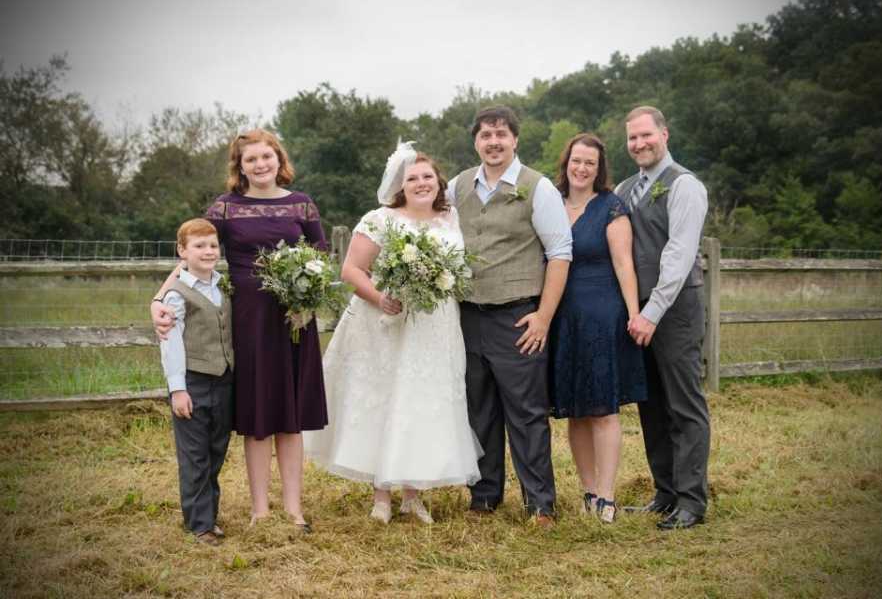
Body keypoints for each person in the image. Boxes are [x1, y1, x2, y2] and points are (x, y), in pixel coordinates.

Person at [152, 129, 326, 531]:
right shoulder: (226, 208)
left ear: (278, 160)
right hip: (248, 319)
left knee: (291, 416)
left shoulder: (302, 205)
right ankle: (260, 510)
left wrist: (308, 300)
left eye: (267, 156)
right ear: (240, 167)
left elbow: (320, 256)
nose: (260, 165)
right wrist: (159, 299)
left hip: (294, 318)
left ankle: (294, 509)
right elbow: (193, 254)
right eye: (251, 160)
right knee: (259, 412)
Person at [304, 145, 481, 524]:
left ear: (439, 182)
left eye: (427, 177)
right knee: (387, 398)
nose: (421, 183)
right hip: (386, 323)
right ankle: (381, 495)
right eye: (412, 178)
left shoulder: (450, 218)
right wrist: (380, 297)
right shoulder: (380, 219)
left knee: (421, 400)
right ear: (400, 185)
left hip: (436, 325)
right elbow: (352, 270)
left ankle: (412, 494)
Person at [447, 106, 572, 526]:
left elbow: (560, 254)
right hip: (467, 315)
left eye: (501, 134)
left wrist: (543, 318)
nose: (493, 142)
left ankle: (540, 504)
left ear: (515, 139)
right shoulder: (458, 186)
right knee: (478, 410)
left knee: (526, 412)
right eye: (485, 135)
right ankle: (484, 497)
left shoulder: (538, 188)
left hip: (518, 316)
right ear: (475, 142)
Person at [616, 106, 710, 530]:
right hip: (638, 316)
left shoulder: (685, 186)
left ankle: (692, 501)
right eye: (632, 138)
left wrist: (652, 312)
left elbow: (678, 254)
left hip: (674, 313)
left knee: (683, 406)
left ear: (664, 134)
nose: (639, 144)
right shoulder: (623, 188)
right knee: (650, 405)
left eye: (646, 135)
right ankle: (665, 493)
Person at [548, 134, 646, 523]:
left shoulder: (611, 207)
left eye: (590, 162)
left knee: (603, 408)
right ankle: (588, 491)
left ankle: (607, 495)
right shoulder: (551, 202)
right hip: (562, 315)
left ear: (599, 168)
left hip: (602, 314)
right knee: (575, 409)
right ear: (567, 162)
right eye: (577, 160)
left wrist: (634, 313)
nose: (582, 168)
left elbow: (624, 264)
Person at [158, 218, 234, 546]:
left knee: (217, 450)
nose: (207, 251)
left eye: (213, 245)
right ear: (182, 252)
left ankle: (208, 515)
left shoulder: (223, 285)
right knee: (195, 455)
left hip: (225, 380)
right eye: (199, 246)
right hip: (193, 383)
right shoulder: (176, 293)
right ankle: (199, 524)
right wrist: (178, 389)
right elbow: (171, 340)